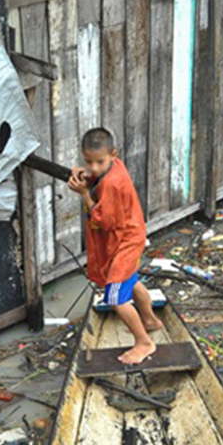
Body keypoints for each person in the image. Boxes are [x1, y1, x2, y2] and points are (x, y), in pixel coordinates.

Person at [68, 127, 161, 364]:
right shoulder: (115, 166)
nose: (95, 168)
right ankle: (150, 321)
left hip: (125, 240)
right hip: (132, 234)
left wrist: (84, 194)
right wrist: (88, 177)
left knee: (116, 297)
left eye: (99, 162)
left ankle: (144, 343)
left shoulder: (111, 184)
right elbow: (99, 177)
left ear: (113, 154)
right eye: (89, 162)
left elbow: (104, 221)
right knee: (131, 280)